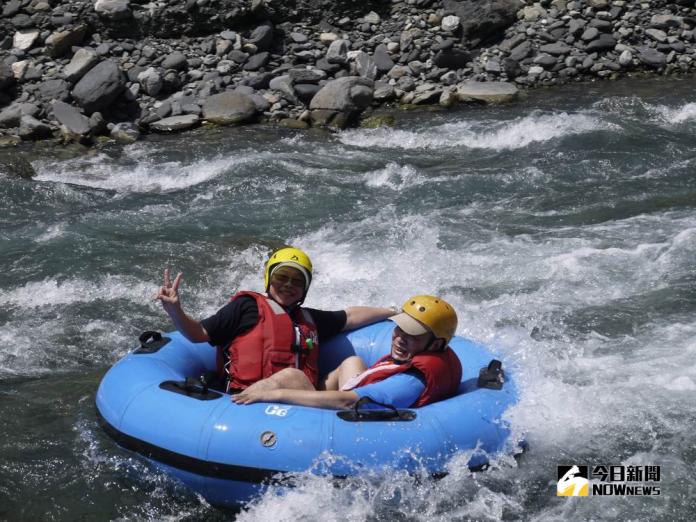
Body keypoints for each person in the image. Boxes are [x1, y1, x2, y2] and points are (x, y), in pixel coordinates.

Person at [154, 246, 396, 393]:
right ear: (269, 279)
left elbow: (351, 316)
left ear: (305, 289)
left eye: (298, 281)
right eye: (282, 277)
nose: (289, 285)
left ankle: (351, 424)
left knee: (353, 362)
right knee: (293, 377)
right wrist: (175, 310)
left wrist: (393, 310)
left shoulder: (309, 318)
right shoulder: (246, 307)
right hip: (253, 398)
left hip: (304, 397)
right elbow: (199, 334)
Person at [232, 295, 462, 409]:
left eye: (413, 335)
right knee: (353, 360)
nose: (400, 338)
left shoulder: (408, 382)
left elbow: (348, 402)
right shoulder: (419, 358)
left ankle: (236, 407)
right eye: (400, 329)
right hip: (353, 407)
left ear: (435, 344)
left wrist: (275, 395)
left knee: (291, 377)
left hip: (345, 424)